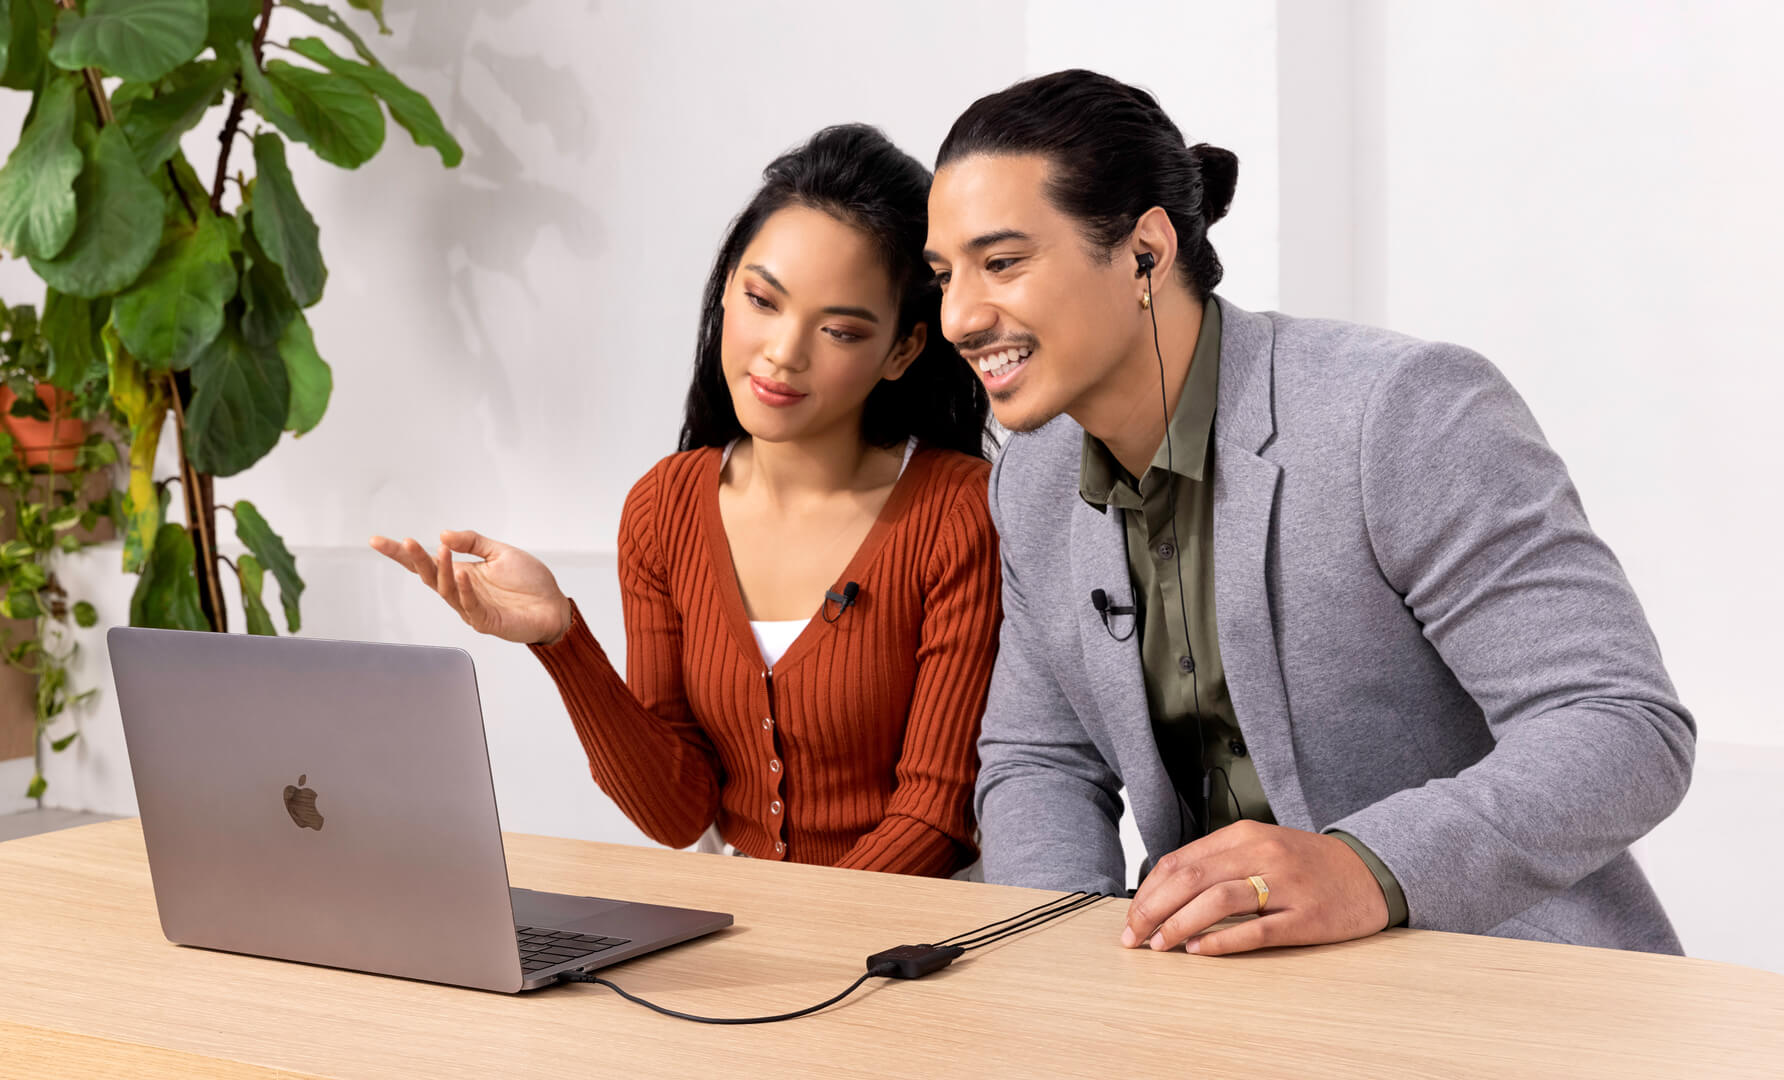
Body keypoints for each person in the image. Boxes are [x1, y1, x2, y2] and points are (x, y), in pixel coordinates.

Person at [926, 70, 1695, 952]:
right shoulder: (1030, 478)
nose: (959, 316)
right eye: (945, 274)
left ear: (1145, 250)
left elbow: (1622, 725)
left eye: (1002, 262)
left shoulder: (1399, 409)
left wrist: (1363, 866)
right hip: (1221, 998)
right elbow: (1040, 760)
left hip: (1502, 978)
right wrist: (1062, 957)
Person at [372, 125, 999, 877]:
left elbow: (934, 817)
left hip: (906, 946)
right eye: (762, 300)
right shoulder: (664, 507)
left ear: (902, 349)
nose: (782, 352)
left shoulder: (960, 513)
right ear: (728, 287)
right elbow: (677, 814)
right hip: (739, 937)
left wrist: (801, 949)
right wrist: (560, 639)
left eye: (837, 329)